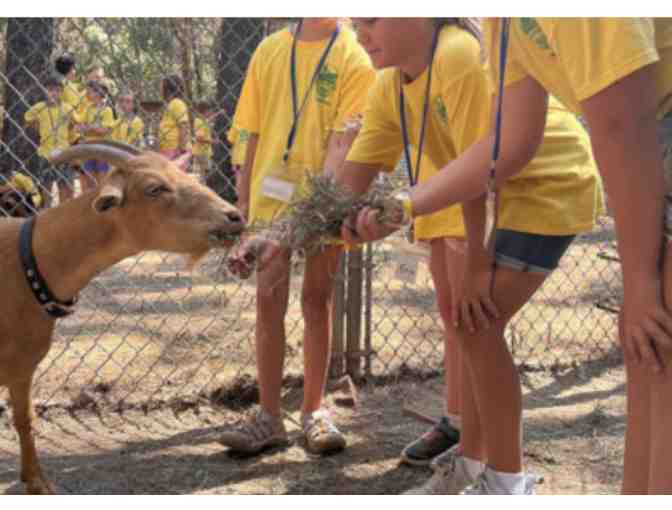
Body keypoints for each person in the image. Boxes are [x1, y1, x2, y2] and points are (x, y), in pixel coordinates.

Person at [335, 18, 603, 494]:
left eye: (372, 21)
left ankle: (505, 482)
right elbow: (349, 181)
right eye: (355, 24)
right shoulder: (391, 85)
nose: (360, 36)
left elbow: (486, 161)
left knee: (476, 326)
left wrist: (477, 263)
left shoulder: (456, 57)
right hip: (503, 197)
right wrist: (287, 233)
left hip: (547, 184)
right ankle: (475, 464)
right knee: (472, 328)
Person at [218, 17, 375, 456]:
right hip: (270, 197)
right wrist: (244, 205)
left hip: (324, 198)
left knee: (316, 299)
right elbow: (249, 134)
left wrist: (313, 212)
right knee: (269, 299)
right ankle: (269, 416)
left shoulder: (353, 56)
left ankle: (314, 411)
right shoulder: (268, 50)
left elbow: (344, 145)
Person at [24, 73, 77, 207]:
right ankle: (47, 214)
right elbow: (28, 120)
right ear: (45, 90)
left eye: (57, 90)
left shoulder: (68, 108)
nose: (54, 93)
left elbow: (75, 124)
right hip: (45, 154)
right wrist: (40, 128)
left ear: (61, 92)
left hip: (64, 153)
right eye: (50, 90)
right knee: (46, 190)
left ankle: (65, 215)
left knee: (65, 189)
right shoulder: (39, 107)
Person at [74, 80, 115, 191]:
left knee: (102, 179)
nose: (87, 94)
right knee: (90, 179)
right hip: (88, 147)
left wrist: (89, 128)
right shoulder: (88, 108)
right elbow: (79, 126)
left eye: (90, 92)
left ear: (98, 93)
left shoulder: (107, 110)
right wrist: (90, 127)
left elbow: (104, 130)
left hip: (102, 148)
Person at [158, 74, 192, 162]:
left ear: (168, 89)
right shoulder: (170, 105)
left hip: (175, 150)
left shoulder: (177, 103)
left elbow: (183, 125)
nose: (160, 90)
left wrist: (181, 148)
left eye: (162, 87)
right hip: (168, 149)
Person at [193, 103, 219, 182]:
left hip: (205, 152)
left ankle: (202, 185)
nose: (211, 113)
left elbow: (210, 119)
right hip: (201, 152)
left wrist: (219, 113)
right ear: (205, 112)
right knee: (201, 174)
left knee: (204, 173)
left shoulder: (203, 121)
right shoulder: (199, 122)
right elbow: (199, 138)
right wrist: (213, 141)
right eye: (210, 111)